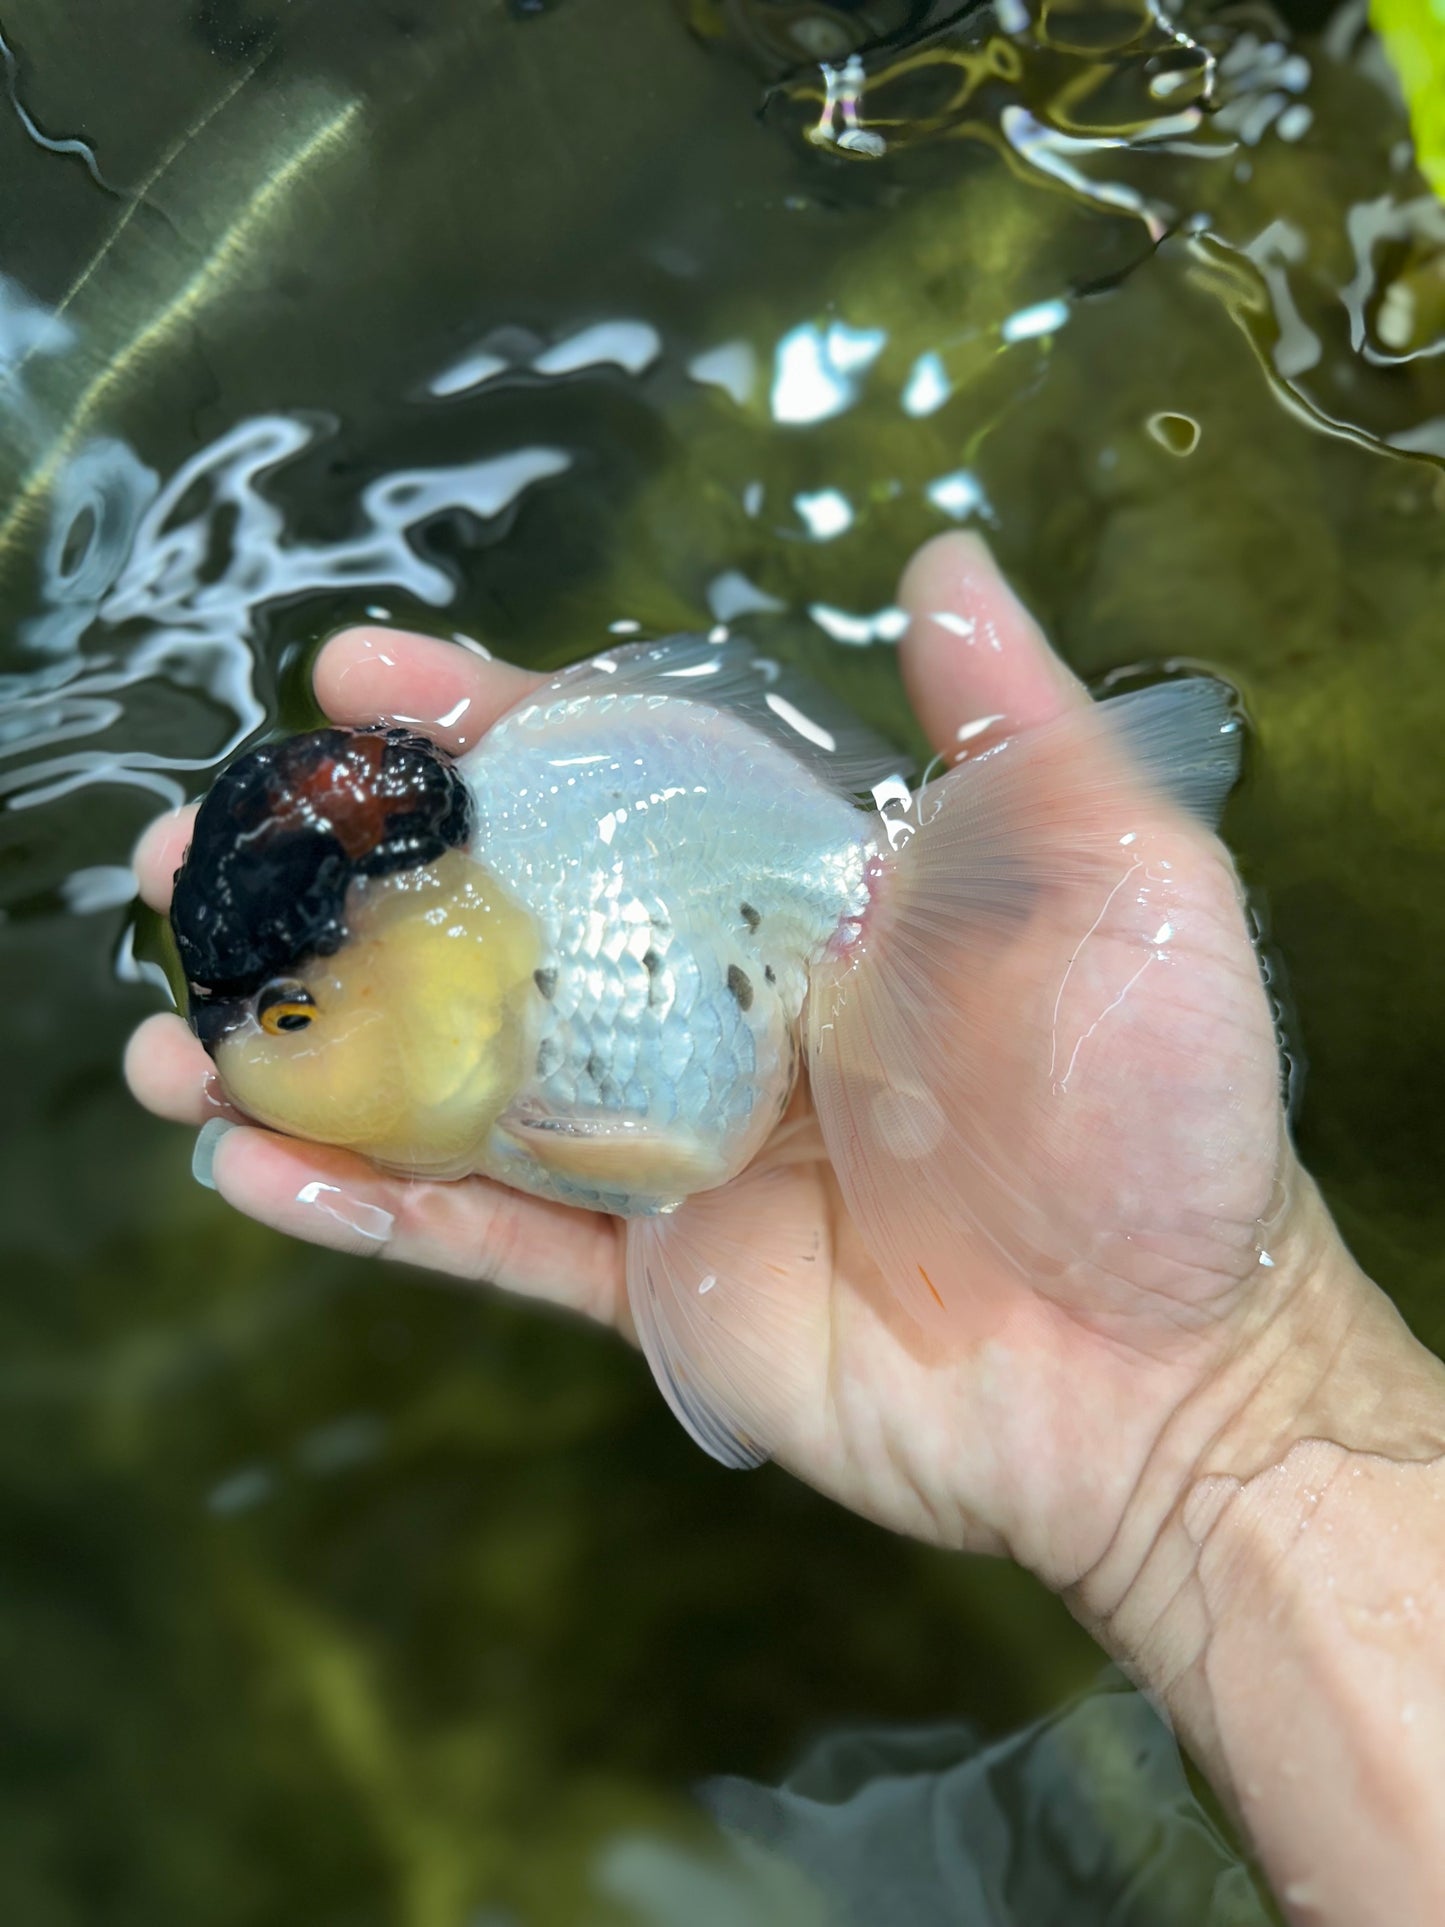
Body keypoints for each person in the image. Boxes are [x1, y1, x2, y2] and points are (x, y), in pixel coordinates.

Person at [125, 533, 1445, 1925]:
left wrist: (1218, 1417)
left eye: (292, 1019)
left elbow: (682, 1159)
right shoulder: (471, 1019)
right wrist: (1221, 1428)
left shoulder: (536, 974)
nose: (264, 1060)